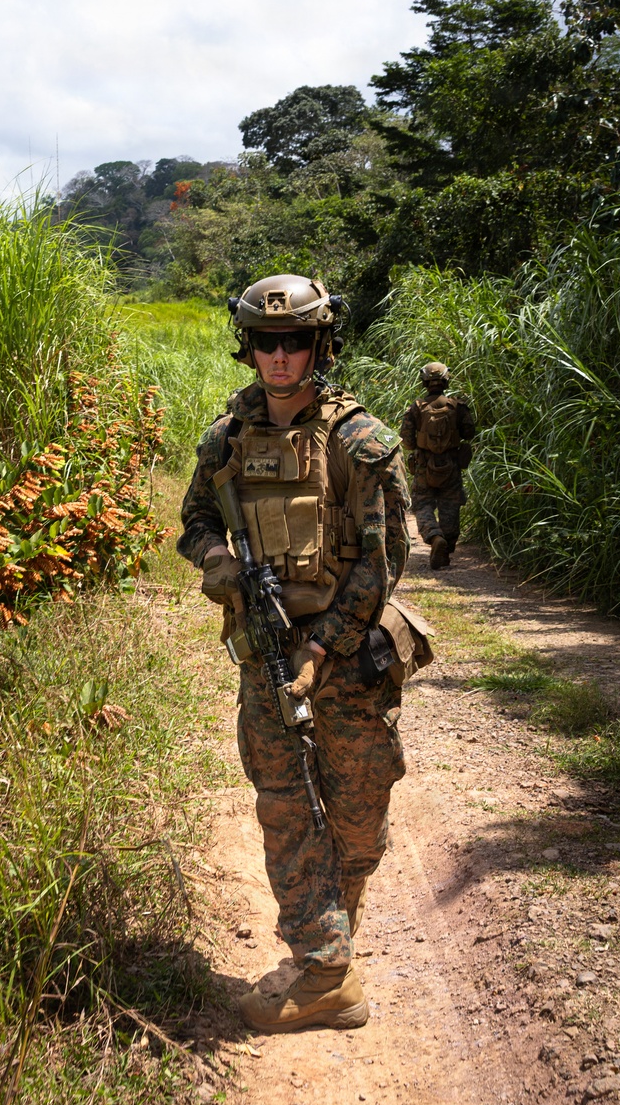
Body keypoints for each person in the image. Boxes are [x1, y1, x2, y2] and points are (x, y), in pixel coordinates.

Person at [178, 274, 412, 1032]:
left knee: (355, 816)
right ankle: (324, 972)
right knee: (285, 808)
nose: (281, 357)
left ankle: (330, 947)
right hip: (265, 658)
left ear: (321, 343)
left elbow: (383, 564)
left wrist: (323, 647)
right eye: (267, 342)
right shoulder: (225, 439)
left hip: (345, 657)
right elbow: (193, 520)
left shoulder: (356, 441)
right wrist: (214, 557)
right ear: (247, 346)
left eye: (296, 341)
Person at [399, 362, 476, 570]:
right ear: (445, 380)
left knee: (422, 504)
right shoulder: (457, 406)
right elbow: (470, 432)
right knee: (450, 505)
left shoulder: (416, 407)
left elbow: (406, 440)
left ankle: (434, 537)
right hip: (451, 465)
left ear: (424, 382)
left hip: (424, 466)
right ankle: (446, 547)